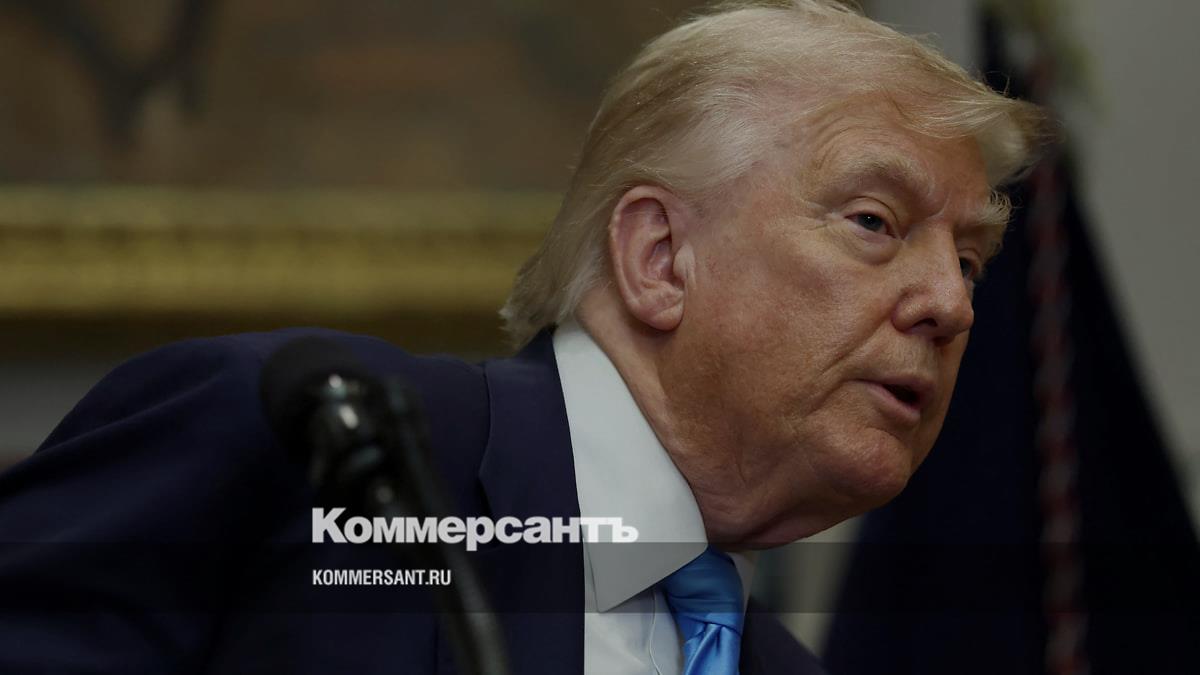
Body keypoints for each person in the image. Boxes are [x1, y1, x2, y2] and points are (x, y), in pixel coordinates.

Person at [0, 1, 1048, 673]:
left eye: (969, 261)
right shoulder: (306, 446)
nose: (950, 304)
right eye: (875, 222)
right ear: (659, 258)